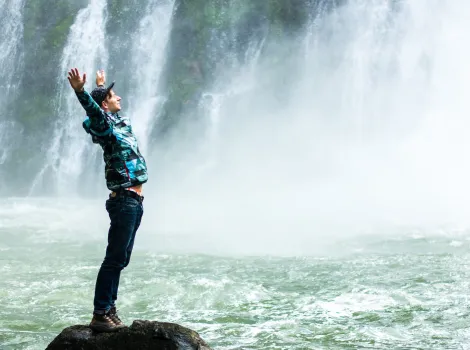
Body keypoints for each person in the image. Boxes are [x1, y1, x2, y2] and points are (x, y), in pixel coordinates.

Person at [67, 68, 148, 332]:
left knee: (120, 259)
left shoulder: (119, 124)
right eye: (114, 96)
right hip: (124, 200)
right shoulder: (105, 128)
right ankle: (101, 312)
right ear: (104, 105)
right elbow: (95, 114)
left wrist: (102, 87)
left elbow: (106, 111)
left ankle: (109, 309)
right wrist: (82, 92)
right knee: (114, 259)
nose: (120, 98)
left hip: (134, 202)